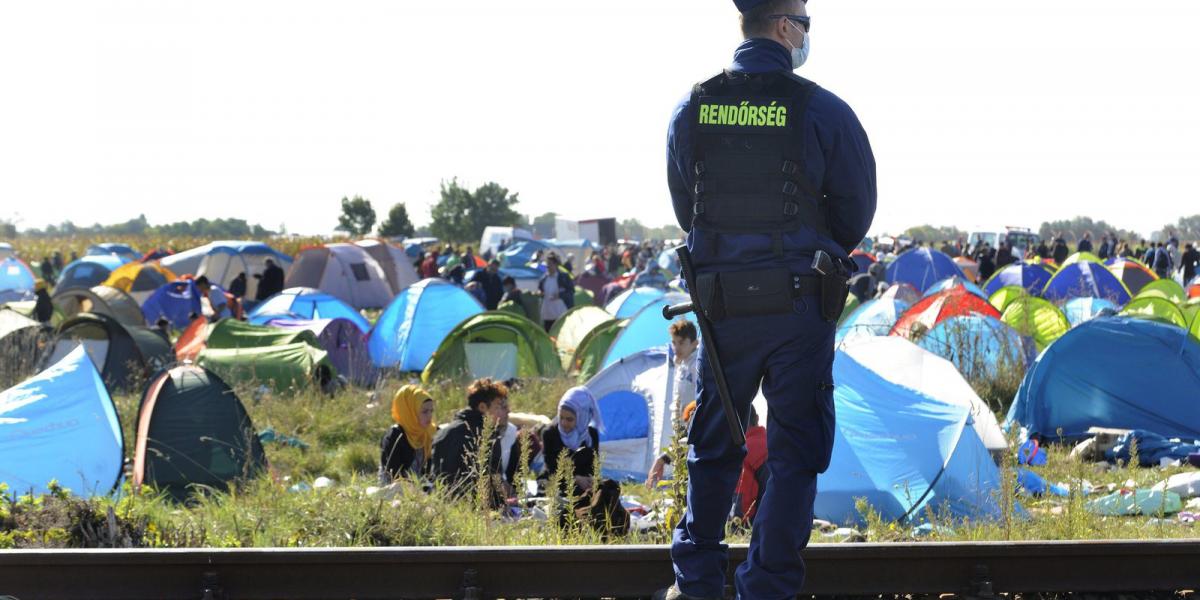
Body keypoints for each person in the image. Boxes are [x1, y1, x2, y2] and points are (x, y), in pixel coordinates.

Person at [660, 1, 876, 598]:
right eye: (805, 21)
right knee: (795, 450)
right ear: (785, 27)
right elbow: (855, 213)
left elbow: (687, 210)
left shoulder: (691, 108)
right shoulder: (823, 110)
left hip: (723, 307)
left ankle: (697, 582)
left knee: (714, 442)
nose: (806, 33)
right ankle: (767, 586)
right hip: (798, 310)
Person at [429, 378, 519, 501]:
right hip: (475, 509)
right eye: (501, 406)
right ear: (482, 407)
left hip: (443, 506)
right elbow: (494, 487)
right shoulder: (487, 436)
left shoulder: (443, 433)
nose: (508, 410)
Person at [647, 319, 701, 487]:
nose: (676, 347)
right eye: (674, 343)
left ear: (694, 343)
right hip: (681, 422)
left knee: (688, 459)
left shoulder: (696, 364)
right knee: (681, 462)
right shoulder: (681, 364)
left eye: (681, 343)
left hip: (693, 421)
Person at [540, 387, 603, 495]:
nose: (564, 423)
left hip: (583, 485)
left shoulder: (591, 435)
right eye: (561, 417)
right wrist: (575, 479)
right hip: (556, 482)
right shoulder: (550, 433)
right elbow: (552, 469)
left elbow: (593, 467)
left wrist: (590, 480)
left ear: (582, 417)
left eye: (569, 419)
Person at [380, 385, 437, 483]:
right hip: (396, 490)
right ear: (410, 411)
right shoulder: (396, 435)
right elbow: (393, 474)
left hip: (424, 487)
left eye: (431, 411)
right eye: (424, 412)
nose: (430, 416)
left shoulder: (431, 432)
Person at [733, 407, 768, 525]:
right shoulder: (767, 442)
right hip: (770, 519)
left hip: (753, 522)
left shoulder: (745, 449)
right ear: (757, 418)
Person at [537, 253, 574, 331]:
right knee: (549, 335)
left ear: (556, 264)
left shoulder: (564, 277)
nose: (548, 266)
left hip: (560, 313)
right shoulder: (544, 278)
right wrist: (540, 293)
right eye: (547, 264)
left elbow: (571, 291)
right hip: (547, 313)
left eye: (550, 264)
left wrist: (560, 295)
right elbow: (540, 290)